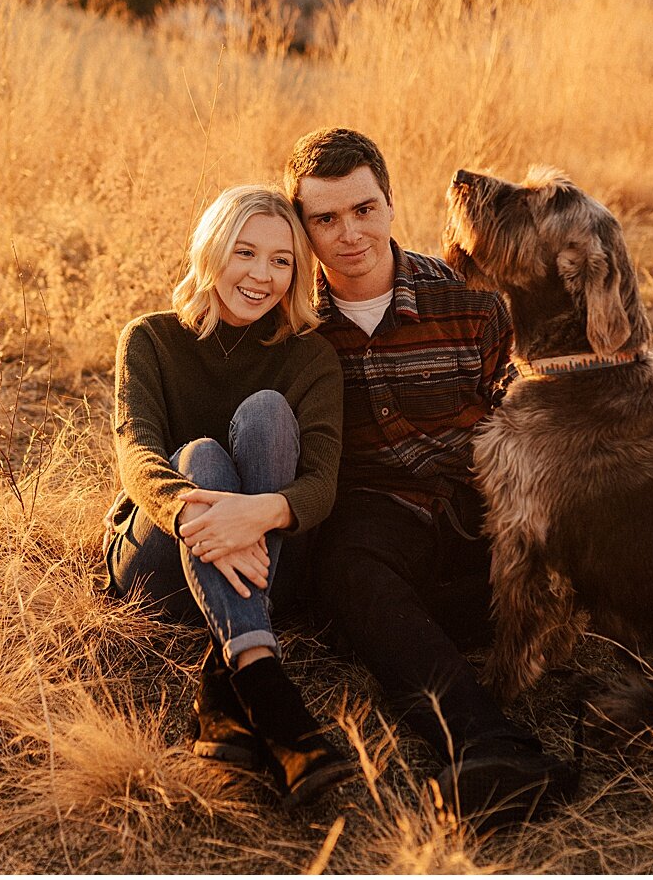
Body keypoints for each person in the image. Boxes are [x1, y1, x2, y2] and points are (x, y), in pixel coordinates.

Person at [283, 128, 576, 831]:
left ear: (390, 202)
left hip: (478, 508)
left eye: (362, 209)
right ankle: (486, 746)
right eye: (324, 219)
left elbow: (525, 418)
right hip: (379, 521)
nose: (348, 233)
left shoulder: (470, 304)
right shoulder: (296, 327)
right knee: (350, 573)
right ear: (303, 229)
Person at [104, 184, 355, 807]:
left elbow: (320, 484)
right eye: (244, 252)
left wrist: (258, 512)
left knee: (268, 413)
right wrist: (192, 504)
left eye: (281, 260)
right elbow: (137, 455)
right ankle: (270, 687)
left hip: (270, 559)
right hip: (159, 560)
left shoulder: (311, 358)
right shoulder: (150, 339)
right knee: (198, 459)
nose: (261, 276)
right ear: (212, 250)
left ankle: (238, 680)